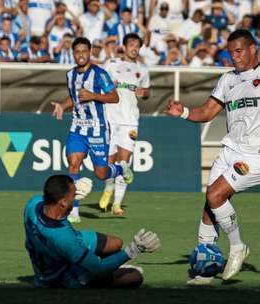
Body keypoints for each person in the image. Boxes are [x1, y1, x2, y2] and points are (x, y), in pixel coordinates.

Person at [165, 29, 260, 285]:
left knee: (215, 195)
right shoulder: (228, 80)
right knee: (210, 208)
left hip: (254, 156)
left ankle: (238, 246)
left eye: (239, 51)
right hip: (229, 151)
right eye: (230, 53)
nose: (234, 58)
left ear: (253, 49)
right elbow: (207, 111)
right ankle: (203, 272)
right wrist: (183, 111)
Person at [24, 174, 161, 288]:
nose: (76, 198)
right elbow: (99, 268)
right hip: (61, 276)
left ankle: (111, 265)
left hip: (53, 247)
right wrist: (133, 249)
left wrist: (72, 189)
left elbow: (52, 194)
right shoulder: (64, 239)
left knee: (116, 243)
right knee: (135, 277)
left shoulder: (33, 203)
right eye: (73, 196)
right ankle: (105, 271)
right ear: (63, 202)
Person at [51, 37, 134, 223]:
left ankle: (121, 168)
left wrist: (93, 95)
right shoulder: (70, 75)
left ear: (89, 53)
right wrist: (62, 106)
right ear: (73, 54)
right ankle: (73, 212)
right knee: (73, 164)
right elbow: (74, 98)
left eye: (84, 51)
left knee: (101, 173)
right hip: (78, 128)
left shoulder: (99, 74)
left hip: (98, 129)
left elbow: (114, 97)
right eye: (77, 52)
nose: (80, 55)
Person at [99, 33, 150, 215]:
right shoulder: (111, 64)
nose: (134, 48)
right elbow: (98, 85)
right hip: (111, 118)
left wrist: (144, 93)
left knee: (124, 161)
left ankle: (117, 204)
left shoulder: (142, 69)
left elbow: (147, 92)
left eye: (137, 45)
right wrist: (107, 85)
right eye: (131, 45)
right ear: (125, 46)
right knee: (108, 161)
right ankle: (108, 189)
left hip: (130, 120)